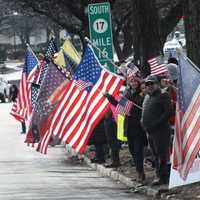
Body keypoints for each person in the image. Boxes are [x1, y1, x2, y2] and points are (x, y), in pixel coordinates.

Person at [141, 75, 172, 185]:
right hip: (149, 131)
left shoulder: (163, 95)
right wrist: (143, 123)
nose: (149, 86)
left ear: (157, 84)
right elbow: (144, 112)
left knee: (161, 154)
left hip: (161, 131)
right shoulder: (147, 97)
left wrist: (156, 124)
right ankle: (158, 175)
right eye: (147, 84)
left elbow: (168, 113)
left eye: (151, 83)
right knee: (154, 154)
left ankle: (162, 177)